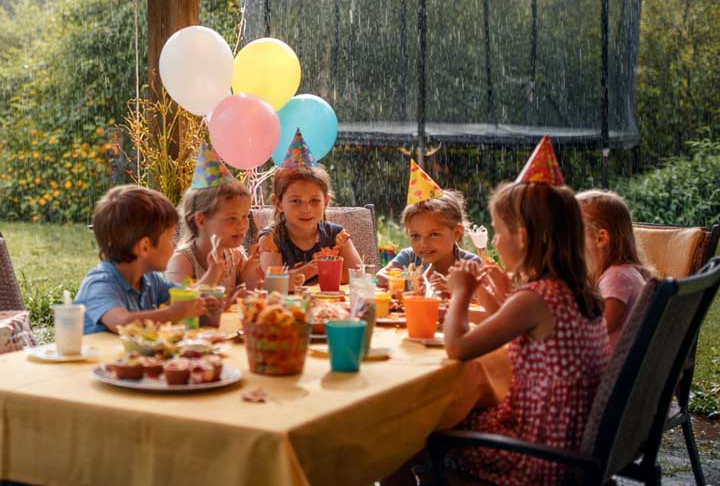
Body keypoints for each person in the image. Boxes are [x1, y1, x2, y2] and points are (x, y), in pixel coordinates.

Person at [441, 137, 608, 486]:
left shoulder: (536, 298)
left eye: (499, 234)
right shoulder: (575, 290)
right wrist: (485, 293)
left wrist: (459, 294)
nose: (496, 243)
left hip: (537, 455)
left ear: (525, 238)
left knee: (422, 430)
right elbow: (509, 320)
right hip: (571, 442)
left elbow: (457, 348)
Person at [74, 184, 212, 334]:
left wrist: (207, 301)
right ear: (145, 246)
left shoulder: (150, 280)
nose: (174, 244)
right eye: (170, 238)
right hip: (99, 357)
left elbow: (186, 296)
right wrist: (173, 313)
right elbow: (123, 323)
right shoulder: (99, 283)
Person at [256, 129, 362, 286]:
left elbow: (358, 275)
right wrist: (313, 269)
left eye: (314, 201)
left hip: (331, 307)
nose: (306, 209)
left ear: (325, 202)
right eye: (296, 201)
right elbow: (272, 284)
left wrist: (300, 278)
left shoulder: (337, 236)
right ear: (279, 204)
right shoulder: (271, 239)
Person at [166, 141, 259, 299]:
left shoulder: (236, 256)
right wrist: (212, 274)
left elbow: (249, 297)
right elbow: (178, 307)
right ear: (201, 220)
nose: (242, 225)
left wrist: (249, 273)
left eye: (245, 216)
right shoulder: (182, 261)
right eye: (232, 218)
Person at [377, 161, 480, 293]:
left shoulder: (470, 264)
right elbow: (380, 277)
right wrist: (406, 283)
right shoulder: (409, 257)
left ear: (457, 233)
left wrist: (456, 290)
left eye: (433, 234)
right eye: (415, 235)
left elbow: (487, 300)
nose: (423, 243)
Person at [577, 189, 652, 351]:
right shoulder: (622, 273)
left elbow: (599, 331)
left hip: (610, 372)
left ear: (600, 238)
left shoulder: (617, 277)